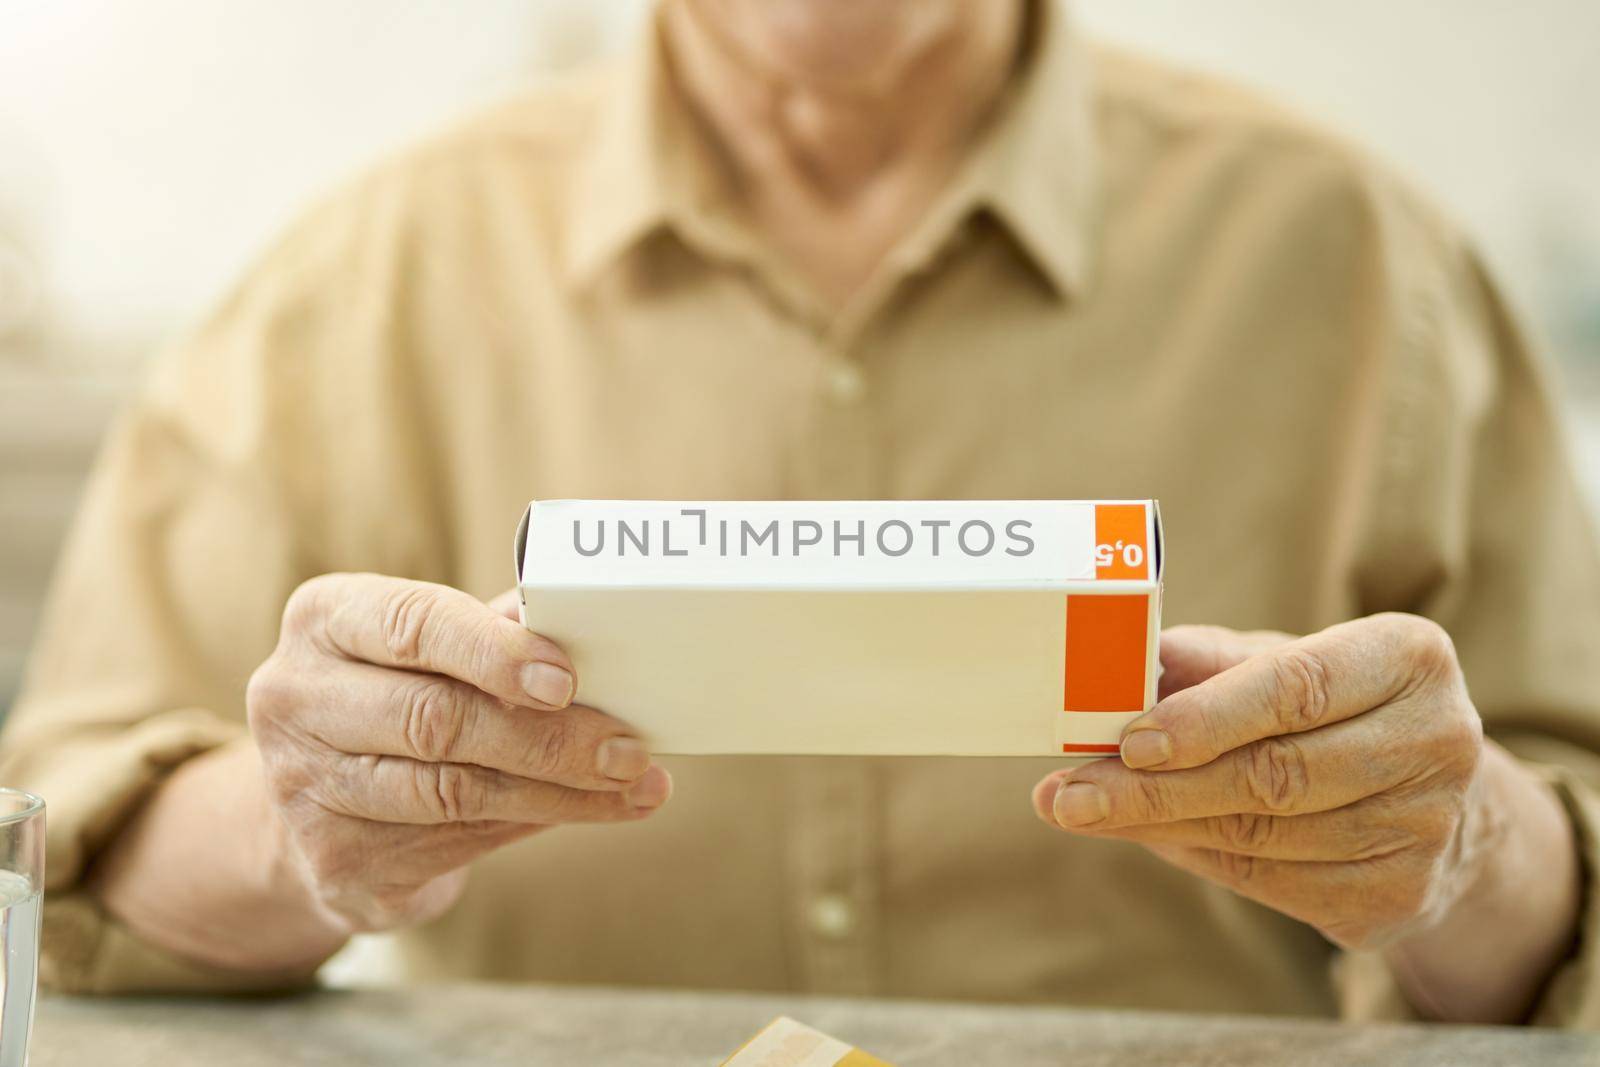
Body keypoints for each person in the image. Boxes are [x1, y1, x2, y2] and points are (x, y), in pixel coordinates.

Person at [6, 0, 1600, 1027]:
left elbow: (1564, 882)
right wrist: (300, 833)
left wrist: (1460, 854)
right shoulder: (365, 272)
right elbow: (62, 863)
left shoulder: (1358, 261)